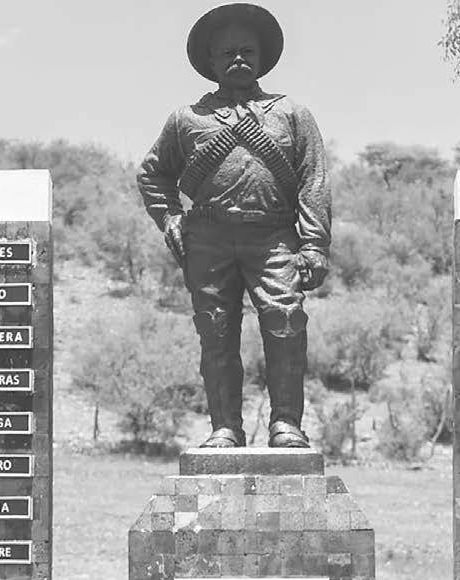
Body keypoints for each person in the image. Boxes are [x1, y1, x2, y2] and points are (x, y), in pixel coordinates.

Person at [138, 3, 331, 450]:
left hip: (275, 238)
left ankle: (286, 424)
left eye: (247, 51)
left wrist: (314, 244)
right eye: (228, 52)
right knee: (216, 331)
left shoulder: (292, 114)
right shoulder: (187, 119)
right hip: (209, 239)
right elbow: (152, 173)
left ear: (262, 58)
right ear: (211, 61)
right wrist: (169, 217)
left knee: (286, 323)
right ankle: (225, 427)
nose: (238, 58)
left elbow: (313, 180)